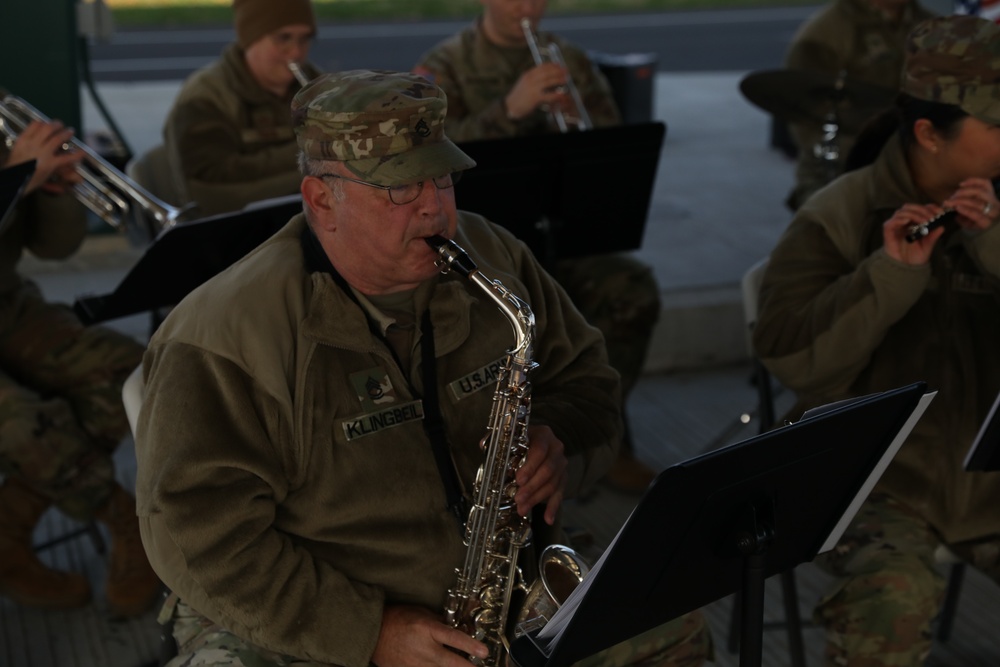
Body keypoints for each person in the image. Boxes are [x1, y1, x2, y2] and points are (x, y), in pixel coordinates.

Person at [135, 69, 711, 667]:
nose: (436, 210)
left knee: (677, 632)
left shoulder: (495, 259)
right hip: (318, 611)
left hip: (496, 590)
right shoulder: (225, 335)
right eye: (400, 189)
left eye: (442, 178)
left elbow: (589, 383)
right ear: (322, 200)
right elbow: (197, 538)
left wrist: (559, 440)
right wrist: (368, 633)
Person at [754, 15, 1000, 665]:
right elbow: (789, 353)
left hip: (991, 479)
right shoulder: (840, 211)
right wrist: (890, 274)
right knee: (891, 598)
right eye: (997, 125)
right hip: (876, 483)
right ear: (928, 133)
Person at [413, 0, 661, 492]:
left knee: (632, 288)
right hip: (476, 246)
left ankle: (595, 436)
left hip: (558, 235)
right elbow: (425, 159)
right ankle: (494, 454)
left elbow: (613, 150)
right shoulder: (443, 67)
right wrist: (509, 110)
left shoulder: (567, 58)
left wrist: (576, 116)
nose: (527, 7)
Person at [0, 115, 161, 616]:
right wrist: (15, 176)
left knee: (132, 373)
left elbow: (54, 247)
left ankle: (8, 530)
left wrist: (50, 190)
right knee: (21, 424)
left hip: (8, 307)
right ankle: (122, 516)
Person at [162, 0, 320, 218]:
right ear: (250, 39)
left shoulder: (316, 87)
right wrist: (312, 152)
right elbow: (209, 183)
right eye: (283, 38)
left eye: (304, 39)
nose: (295, 52)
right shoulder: (207, 96)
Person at [783, 0, 935, 211]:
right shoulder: (826, 31)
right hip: (843, 171)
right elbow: (804, 116)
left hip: (918, 167)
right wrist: (862, 152)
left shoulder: (930, 24)